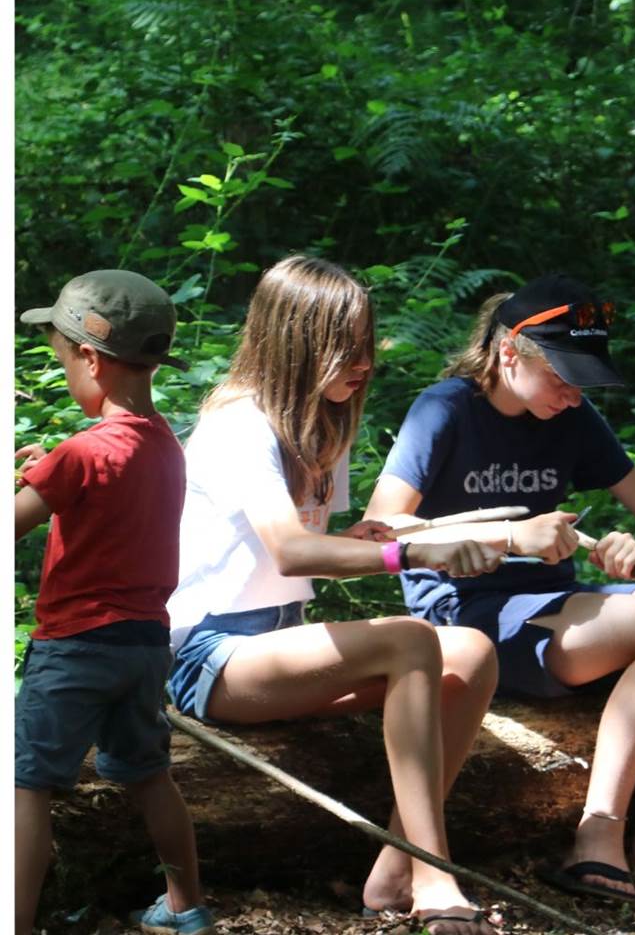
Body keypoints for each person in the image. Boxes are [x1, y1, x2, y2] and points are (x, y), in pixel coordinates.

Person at [364, 274, 635, 903]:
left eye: (582, 382)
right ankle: (597, 836)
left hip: (557, 609)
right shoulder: (444, 409)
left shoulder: (573, 420)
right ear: (509, 353)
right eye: (563, 378)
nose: (573, 396)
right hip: (469, 618)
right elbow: (383, 528)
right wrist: (510, 537)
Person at [164, 255, 504, 935]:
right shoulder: (241, 424)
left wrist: (371, 534)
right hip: (208, 655)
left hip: (278, 638)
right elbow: (293, 549)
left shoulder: (319, 423)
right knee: (410, 638)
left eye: (367, 345)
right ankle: (435, 876)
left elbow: (311, 544)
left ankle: (391, 868)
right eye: (346, 347)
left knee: (470, 651)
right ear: (295, 341)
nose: (365, 362)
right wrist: (403, 551)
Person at [14, 271, 213, 934]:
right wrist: (56, 466)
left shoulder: (81, 454)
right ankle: (187, 907)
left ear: (91, 358)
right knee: (150, 774)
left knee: (28, 785)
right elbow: (109, 490)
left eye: (64, 359)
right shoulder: (165, 449)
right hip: (143, 646)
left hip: (74, 646)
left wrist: (52, 470)